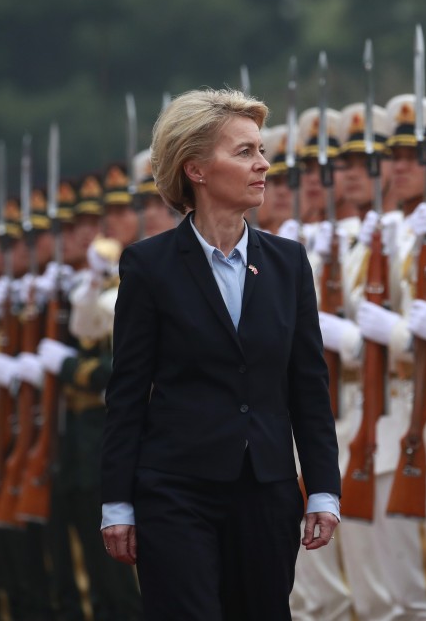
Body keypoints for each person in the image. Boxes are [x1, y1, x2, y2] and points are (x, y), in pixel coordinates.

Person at [99, 88, 341, 621]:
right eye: (245, 152)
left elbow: (307, 385)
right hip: (176, 491)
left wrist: (323, 488)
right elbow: (128, 391)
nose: (263, 164)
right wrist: (117, 501)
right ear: (197, 170)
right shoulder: (150, 266)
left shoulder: (288, 263)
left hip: (267, 490)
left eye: (261, 150)